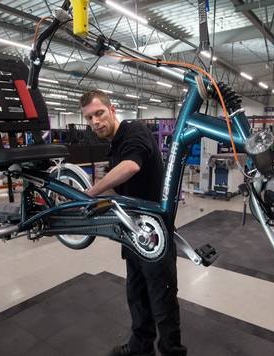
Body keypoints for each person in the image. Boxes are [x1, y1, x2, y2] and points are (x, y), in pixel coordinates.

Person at [79, 90, 187, 356]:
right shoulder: (115, 145)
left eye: (99, 113)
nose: (95, 122)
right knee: (137, 293)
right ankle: (141, 345)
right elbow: (121, 187)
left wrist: (91, 192)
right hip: (133, 229)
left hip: (153, 231)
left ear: (112, 109)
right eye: (89, 118)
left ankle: (172, 351)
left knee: (161, 297)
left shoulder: (134, 131)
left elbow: (131, 167)